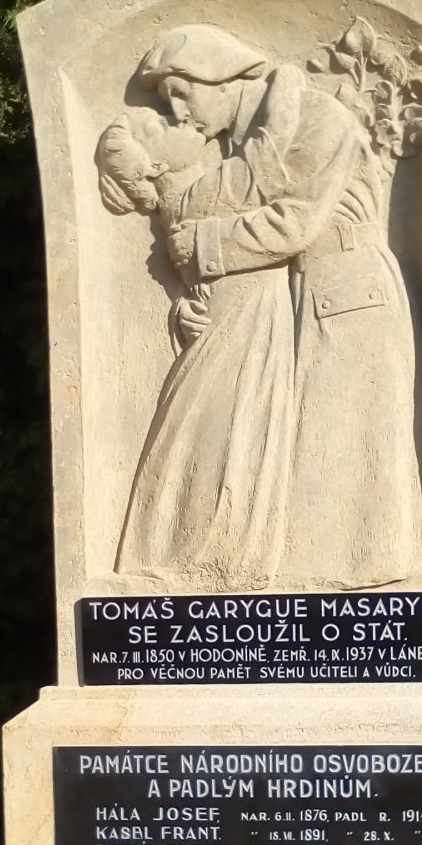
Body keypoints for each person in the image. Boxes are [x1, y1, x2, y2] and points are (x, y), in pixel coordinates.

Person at [138, 24, 422, 587]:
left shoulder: (315, 118)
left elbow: (297, 221)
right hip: (302, 297)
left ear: (220, 76)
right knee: (308, 465)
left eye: (181, 91)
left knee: (347, 455)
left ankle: (363, 593)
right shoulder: (246, 140)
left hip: (350, 299)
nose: (177, 111)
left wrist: (202, 246)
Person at [96, 104, 294, 587]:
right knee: (220, 434)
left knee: (217, 431)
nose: (180, 120)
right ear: (158, 164)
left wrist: (181, 307)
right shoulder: (203, 191)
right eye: (162, 127)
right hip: (245, 315)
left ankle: (196, 553)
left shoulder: (194, 188)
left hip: (245, 312)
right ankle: (206, 557)